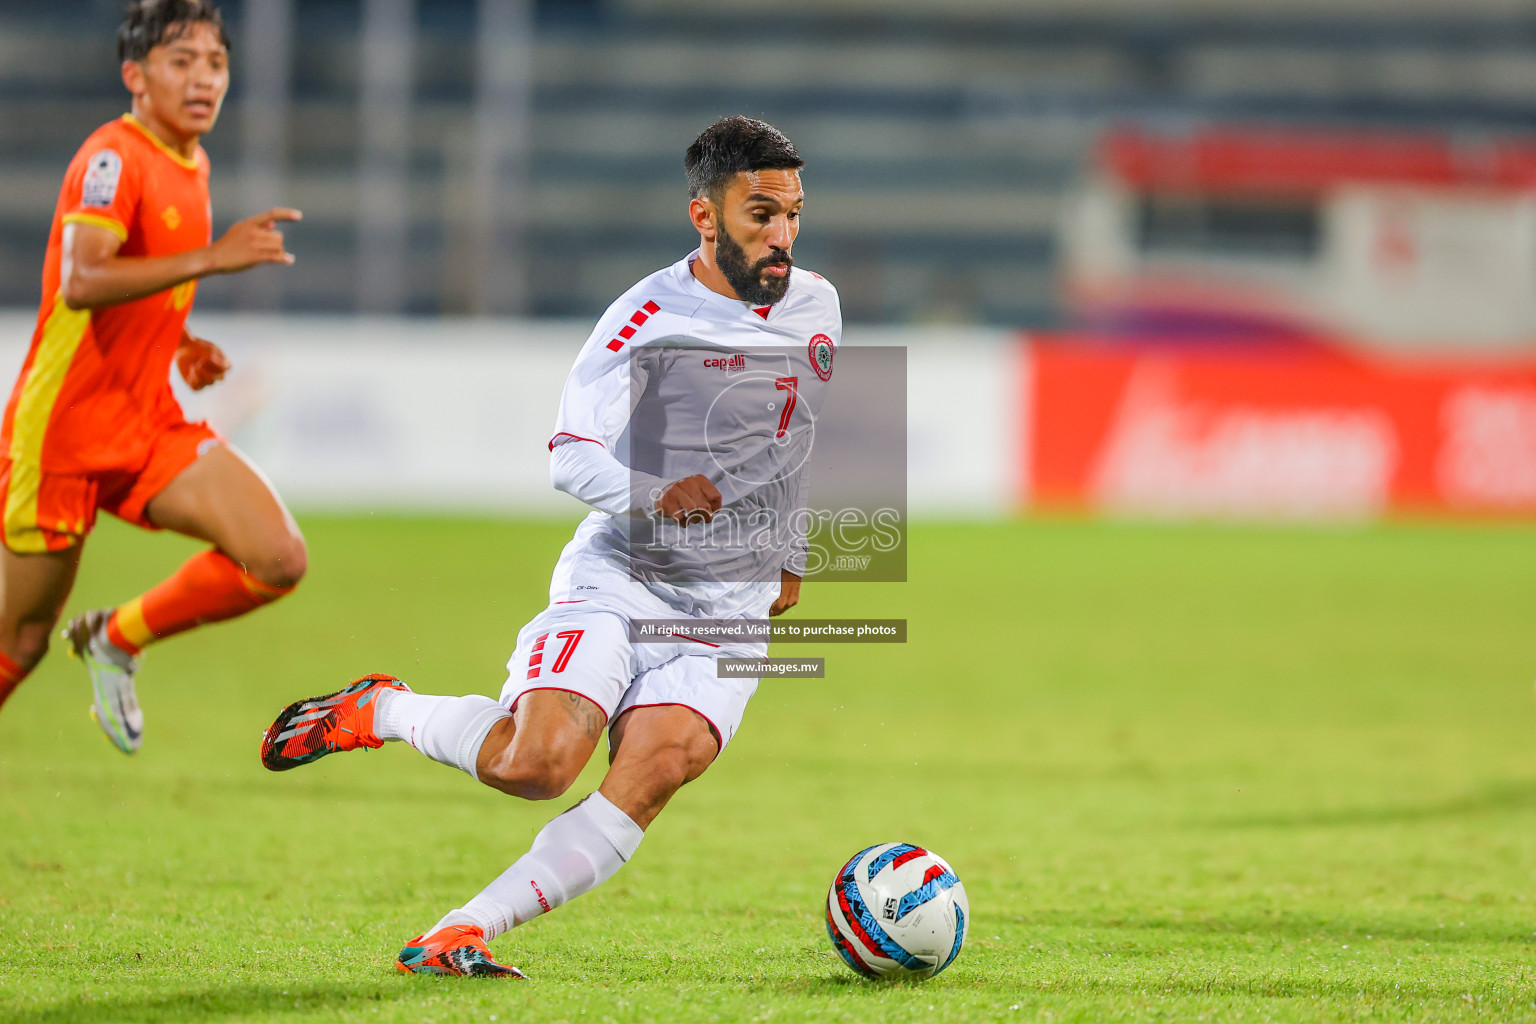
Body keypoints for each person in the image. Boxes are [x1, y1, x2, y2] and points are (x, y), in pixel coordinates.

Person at [261, 116, 841, 978]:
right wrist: (655, 495)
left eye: (794, 213)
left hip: (730, 612)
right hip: (629, 578)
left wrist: (790, 547)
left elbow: (797, 429)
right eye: (762, 214)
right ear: (705, 217)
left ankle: (462, 930)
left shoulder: (816, 303)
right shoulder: (644, 317)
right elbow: (571, 454)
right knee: (537, 766)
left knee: (654, 773)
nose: (783, 236)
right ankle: (383, 709)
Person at [0, 0, 307, 753]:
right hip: (62, 436)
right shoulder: (112, 158)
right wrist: (212, 258)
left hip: (143, 424)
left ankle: (115, 637)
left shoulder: (190, 160)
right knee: (20, 643)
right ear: (135, 76)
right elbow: (81, 280)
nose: (204, 79)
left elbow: (132, 285)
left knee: (276, 557)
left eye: (216, 63)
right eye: (182, 61)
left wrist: (179, 339)